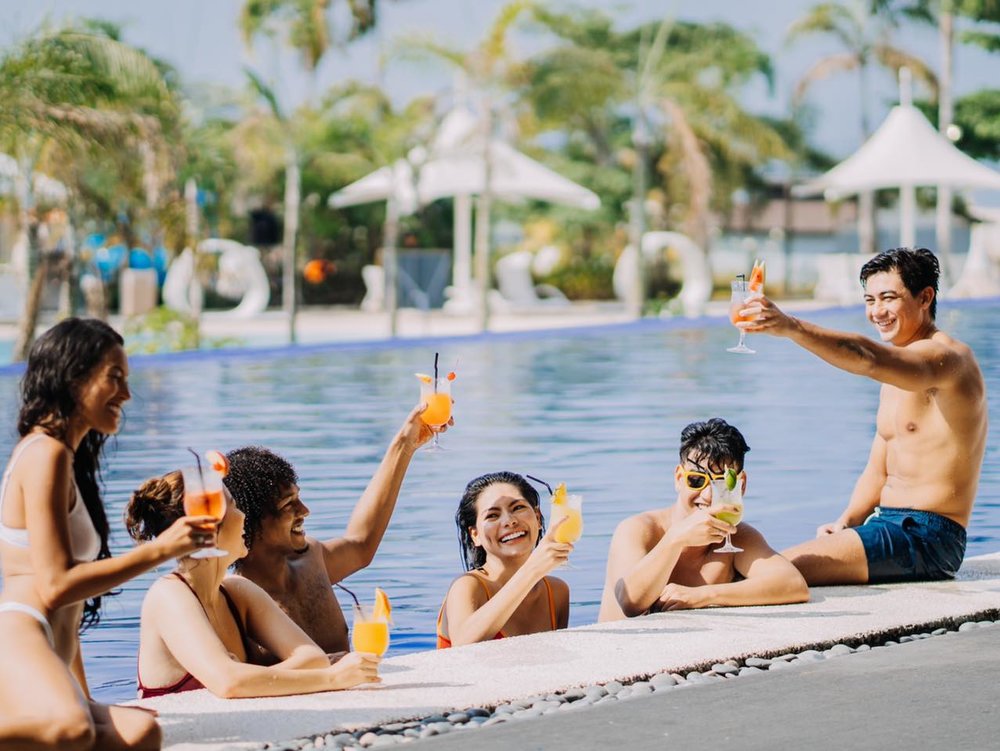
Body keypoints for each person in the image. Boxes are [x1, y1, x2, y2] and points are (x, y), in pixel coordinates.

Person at [0, 318, 209, 751]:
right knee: (73, 732)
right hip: (21, 633)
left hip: (53, 645)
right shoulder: (45, 454)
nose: (127, 394)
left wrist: (82, 695)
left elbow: (71, 609)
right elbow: (57, 585)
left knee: (140, 733)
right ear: (73, 376)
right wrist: (161, 550)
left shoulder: (69, 461)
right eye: (114, 378)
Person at [739, 247, 987, 584]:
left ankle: (694, 598)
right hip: (886, 525)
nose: (877, 311)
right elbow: (878, 469)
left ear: (925, 297)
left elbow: (866, 357)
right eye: (869, 300)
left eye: (888, 298)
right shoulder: (897, 375)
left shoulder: (947, 359)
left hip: (928, 537)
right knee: (755, 564)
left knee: (770, 570)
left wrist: (790, 326)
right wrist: (846, 522)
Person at [124, 470, 380, 698]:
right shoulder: (168, 595)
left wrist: (249, 678)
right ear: (209, 528)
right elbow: (229, 683)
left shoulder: (238, 593)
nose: (244, 515)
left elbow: (313, 659)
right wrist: (333, 679)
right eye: (234, 506)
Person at [223, 405, 439, 658]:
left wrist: (405, 444)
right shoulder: (231, 597)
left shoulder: (310, 558)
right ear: (248, 523)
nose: (304, 510)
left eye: (298, 498)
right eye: (287, 504)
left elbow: (361, 543)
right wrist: (332, 668)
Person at [599, 419, 808, 621]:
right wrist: (676, 539)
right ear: (679, 479)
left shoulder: (736, 538)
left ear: (741, 485)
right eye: (697, 480)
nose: (708, 495)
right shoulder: (637, 529)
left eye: (722, 483)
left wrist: (703, 596)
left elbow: (792, 584)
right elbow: (630, 602)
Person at [437, 471, 571, 648]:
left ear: (537, 519)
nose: (509, 521)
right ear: (475, 535)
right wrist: (533, 569)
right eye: (492, 515)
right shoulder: (468, 586)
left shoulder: (556, 592)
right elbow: (462, 645)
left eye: (518, 508)